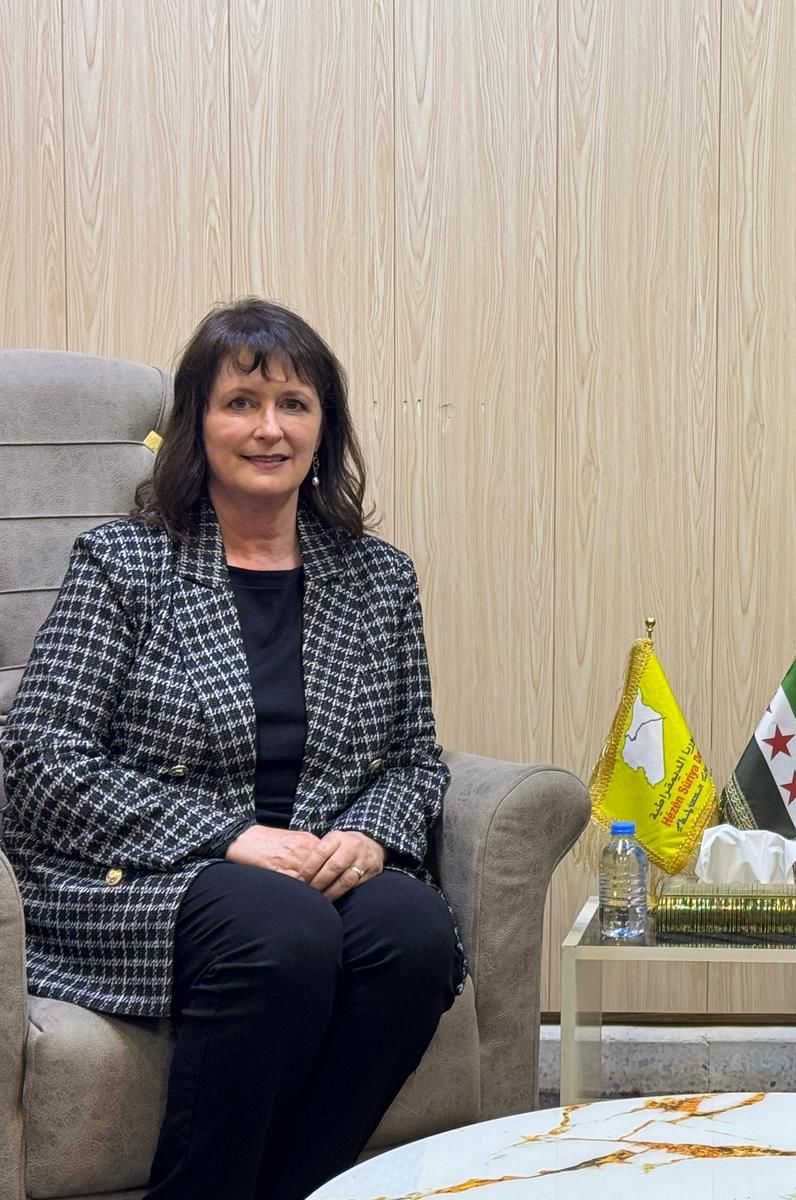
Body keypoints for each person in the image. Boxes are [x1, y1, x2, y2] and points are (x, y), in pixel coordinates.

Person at [0, 299, 463, 1199]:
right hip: (148, 879)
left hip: (319, 867)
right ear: (197, 423)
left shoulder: (378, 578)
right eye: (241, 402)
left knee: (414, 935)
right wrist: (231, 838)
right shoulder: (125, 563)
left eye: (293, 404)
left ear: (324, 429)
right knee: (280, 929)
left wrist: (369, 836)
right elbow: (43, 755)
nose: (268, 428)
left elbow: (415, 758)